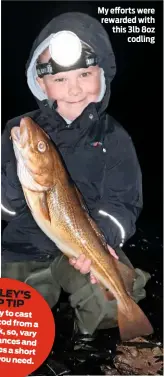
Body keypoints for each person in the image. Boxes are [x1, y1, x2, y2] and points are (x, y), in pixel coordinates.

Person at [1, 12, 150, 337]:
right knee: (11, 322)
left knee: (110, 304)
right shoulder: (19, 129)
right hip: (25, 246)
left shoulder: (115, 137)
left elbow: (123, 202)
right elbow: (8, 209)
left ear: (102, 74)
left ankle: (122, 310)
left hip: (89, 244)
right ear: (40, 82)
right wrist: (18, 162)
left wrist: (103, 242)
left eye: (84, 73)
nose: (74, 89)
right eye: (60, 79)